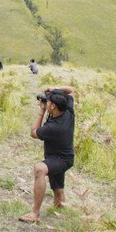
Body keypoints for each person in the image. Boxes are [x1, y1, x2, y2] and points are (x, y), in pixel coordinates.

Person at [19, 86, 75, 223]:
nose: (46, 103)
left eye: (48, 102)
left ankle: (35, 214)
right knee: (58, 191)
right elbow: (71, 91)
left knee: (40, 169)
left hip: (60, 159)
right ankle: (61, 211)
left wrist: (41, 111)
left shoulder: (54, 127)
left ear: (53, 106)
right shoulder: (68, 110)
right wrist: (54, 89)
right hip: (63, 156)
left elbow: (33, 132)